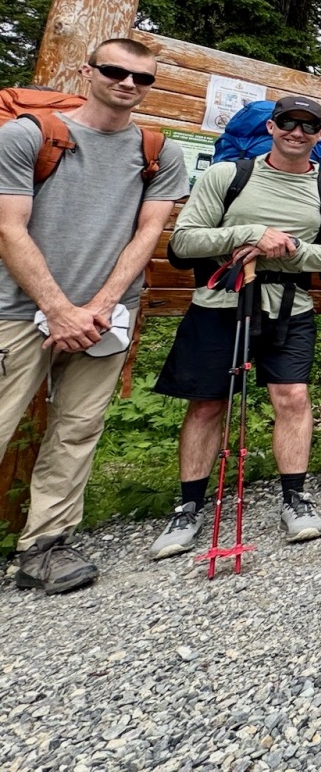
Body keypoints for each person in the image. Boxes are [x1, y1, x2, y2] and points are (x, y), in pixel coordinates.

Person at [0, 38, 187, 593]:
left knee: (78, 430)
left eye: (142, 78)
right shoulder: (26, 136)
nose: (128, 84)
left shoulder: (158, 152)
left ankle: (45, 546)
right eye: (114, 71)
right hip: (16, 310)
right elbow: (8, 228)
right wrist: (59, 309)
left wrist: (100, 306)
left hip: (106, 318)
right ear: (88, 71)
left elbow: (148, 233)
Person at [149, 95, 321, 558]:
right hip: (220, 302)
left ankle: (295, 497)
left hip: (289, 306)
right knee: (207, 404)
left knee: (293, 397)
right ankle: (188, 506)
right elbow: (184, 241)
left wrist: (288, 247)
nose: (297, 132)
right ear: (271, 127)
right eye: (288, 123)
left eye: (308, 126)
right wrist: (248, 234)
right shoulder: (227, 176)